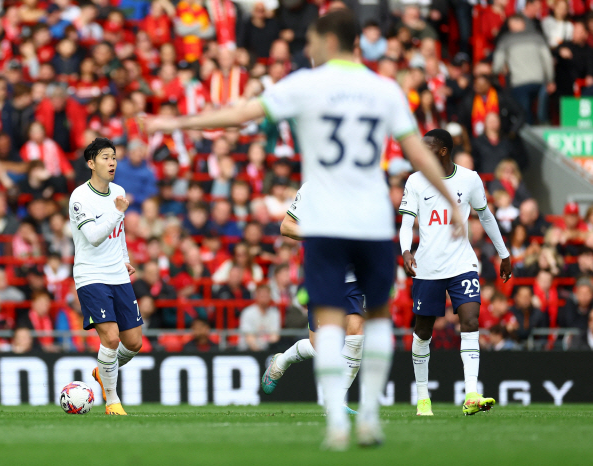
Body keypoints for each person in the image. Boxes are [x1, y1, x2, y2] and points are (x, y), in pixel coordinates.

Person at [146, 11, 465, 449]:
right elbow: (415, 151)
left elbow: (242, 112)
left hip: (335, 224)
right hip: (370, 221)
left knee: (339, 332)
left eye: (314, 39)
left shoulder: (306, 84)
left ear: (330, 40)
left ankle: (338, 423)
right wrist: (452, 201)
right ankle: (367, 419)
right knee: (374, 327)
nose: (308, 48)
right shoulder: (384, 89)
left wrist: (178, 123)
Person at [400, 129, 512, 416]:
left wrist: (504, 253)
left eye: (428, 148)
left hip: (462, 264)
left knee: (471, 320)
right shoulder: (415, 181)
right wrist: (405, 250)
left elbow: (486, 215)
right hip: (427, 267)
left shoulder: (470, 179)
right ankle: (423, 397)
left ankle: (472, 393)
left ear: (442, 151)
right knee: (423, 331)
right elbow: (406, 223)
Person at [261, 181, 365, 417]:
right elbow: (286, 226)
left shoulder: (363, 186)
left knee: (356, 336)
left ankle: (336, 402)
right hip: (322, 274)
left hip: (353, 276)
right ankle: (282, 362)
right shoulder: (313, 188)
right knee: (322, 346)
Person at [68, 137, 141, 416]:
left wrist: (125, 259)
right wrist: (116, 211)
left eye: (114, 157)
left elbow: (117, 232)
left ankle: (103, 371)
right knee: (110, 338)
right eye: (105, 157)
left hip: (117, 274)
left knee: (133, 342)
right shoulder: (79, 197)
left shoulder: (118, 190)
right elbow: (94, 236)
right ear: (91, 163)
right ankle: (112, 401)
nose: (112, 162)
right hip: (91, 275)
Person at [238, 285, 280, 351]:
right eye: (262, 295)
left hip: (268, 351)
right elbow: (249, 338)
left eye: (266, 295)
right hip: (248, 351)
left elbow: (275, 337)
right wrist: (259, 352)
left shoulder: (274, 313)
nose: (264, 298)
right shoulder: (248, 312)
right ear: (256, 296)